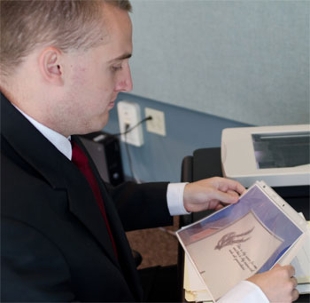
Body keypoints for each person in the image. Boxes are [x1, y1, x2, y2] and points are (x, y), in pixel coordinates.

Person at [0, 0, 299, 302]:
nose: (127, 82)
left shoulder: (38, 122)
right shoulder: (9, 226)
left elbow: (84, 204)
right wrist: (251, 298)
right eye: (115, 66)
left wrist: (182, 196)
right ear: (54, 67)